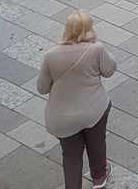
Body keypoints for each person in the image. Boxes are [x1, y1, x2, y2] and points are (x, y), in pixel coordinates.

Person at [37, 11, 116, 189]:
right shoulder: (96, 48)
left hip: (62, 117)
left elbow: (41, 88)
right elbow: (109, 70)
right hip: (94, 109)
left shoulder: (51, 55)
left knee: (71, 155)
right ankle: (99, 175)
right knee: (96, 141)